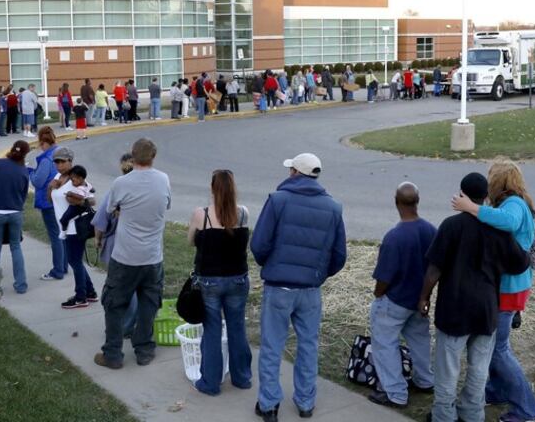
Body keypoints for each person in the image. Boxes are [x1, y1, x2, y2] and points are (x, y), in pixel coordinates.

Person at [419, 172, 531, 422]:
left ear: (462, 194)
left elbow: (434, 269)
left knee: (447, 369)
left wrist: (424, 298)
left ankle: (444, 415)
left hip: (454, 309)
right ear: (486, 197)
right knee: (479, 368)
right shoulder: (499, 231)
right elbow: (521, 263)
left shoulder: (451, 226)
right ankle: (472, 413)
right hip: (486, 309)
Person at [251, 153, 347, 421]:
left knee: (272, 346)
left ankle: (269, 404)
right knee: (308, 345)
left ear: (295, 173)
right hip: (310, 289)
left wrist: (270, 266)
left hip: (279, 287)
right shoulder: (333, 207)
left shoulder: (278, 200)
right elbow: (339, 256)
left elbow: (259, 244)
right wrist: (318, 274)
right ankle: (306, 402)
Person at [451, 160, 535, 422]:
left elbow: (509, 222)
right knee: (494, 344)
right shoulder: (517, 201)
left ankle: (529, 409)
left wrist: (472, 208)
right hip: (513, 284)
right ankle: (498, 389)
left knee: (498, 348)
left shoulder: (514, 204)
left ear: (500, 181)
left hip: (509, 287)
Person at [95, 138, 171, 370]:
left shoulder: (121, 183)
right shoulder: (163, 179)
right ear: (153, 157)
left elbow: (110, 209)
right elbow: (166, 205)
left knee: (114, 304)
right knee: (149, 304)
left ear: (133, 156)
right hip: (152, 256)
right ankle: (144, 349)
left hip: (126, 256)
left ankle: (113, 353)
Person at [367, 182, 436, 409]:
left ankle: (395, 393)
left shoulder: (394, 237)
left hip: (396, 300)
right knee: (420, 339)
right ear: (417, 201)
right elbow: (436, 268)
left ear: (396, 202)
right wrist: (426, 297)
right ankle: (425, 380)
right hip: (419, 299)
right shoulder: (430, 231)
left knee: (385, 343)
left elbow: (384, 277)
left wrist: (379, 295)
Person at [187, 169, 252, 396]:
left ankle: (211, 382)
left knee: (212, 331)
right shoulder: (243, 213)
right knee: (237, 328)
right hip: (238, 279)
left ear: (212, 188)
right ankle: (242, 377)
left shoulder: (201, 214)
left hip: (210, 280)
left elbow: (190, 241)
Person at [91, 153, 138, 337]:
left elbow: (101, 219)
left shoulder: (116, 189)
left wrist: (97, 239)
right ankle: (136, 324)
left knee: (120, 287)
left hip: (117, 247)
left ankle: (124, 326)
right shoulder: (147, 189)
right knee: (138, 286)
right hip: (141, 247)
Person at [50, 159, 98, 309]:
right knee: (76, 261)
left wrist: (80, 201)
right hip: (67, 227)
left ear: (70, 162)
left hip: (75, 228)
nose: (59, 165)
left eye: (63, 161)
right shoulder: (59, 178)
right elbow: (50, 199)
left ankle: (80, 297)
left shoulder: (77, 180)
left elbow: (92, 201)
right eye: (56, 162)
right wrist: (50, 187)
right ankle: (90, 292)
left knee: (74, 261)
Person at [0, 141, 30, 294]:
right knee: (15, 246)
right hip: (15, 212)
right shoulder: (23, 171)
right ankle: (21, 284)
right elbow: (23, 194)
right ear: (25, 154)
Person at [28, 127, 68, 281]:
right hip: (61, 201)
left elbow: (38, 182)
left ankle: (57, 270)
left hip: (48, 201)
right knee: (62, 234)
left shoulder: (46, 160)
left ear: (43, 142)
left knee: (55, 236)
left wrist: (30, 172)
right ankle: (63, 265)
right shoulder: (61, 154)